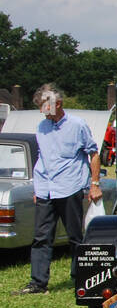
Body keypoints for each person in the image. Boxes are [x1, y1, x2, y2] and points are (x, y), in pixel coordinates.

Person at [14, 84, 102, 296]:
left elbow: (94, 154)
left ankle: (78, 277)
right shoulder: (41, 127)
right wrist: (38, 187)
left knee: (75, 236)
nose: (41, 111)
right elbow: (42, 159)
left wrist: (95, 184)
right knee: (41, 237)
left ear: (57, 104)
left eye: (43, 106)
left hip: (69, 186)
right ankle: (38, 283)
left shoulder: (77, 125)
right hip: (46, 189)